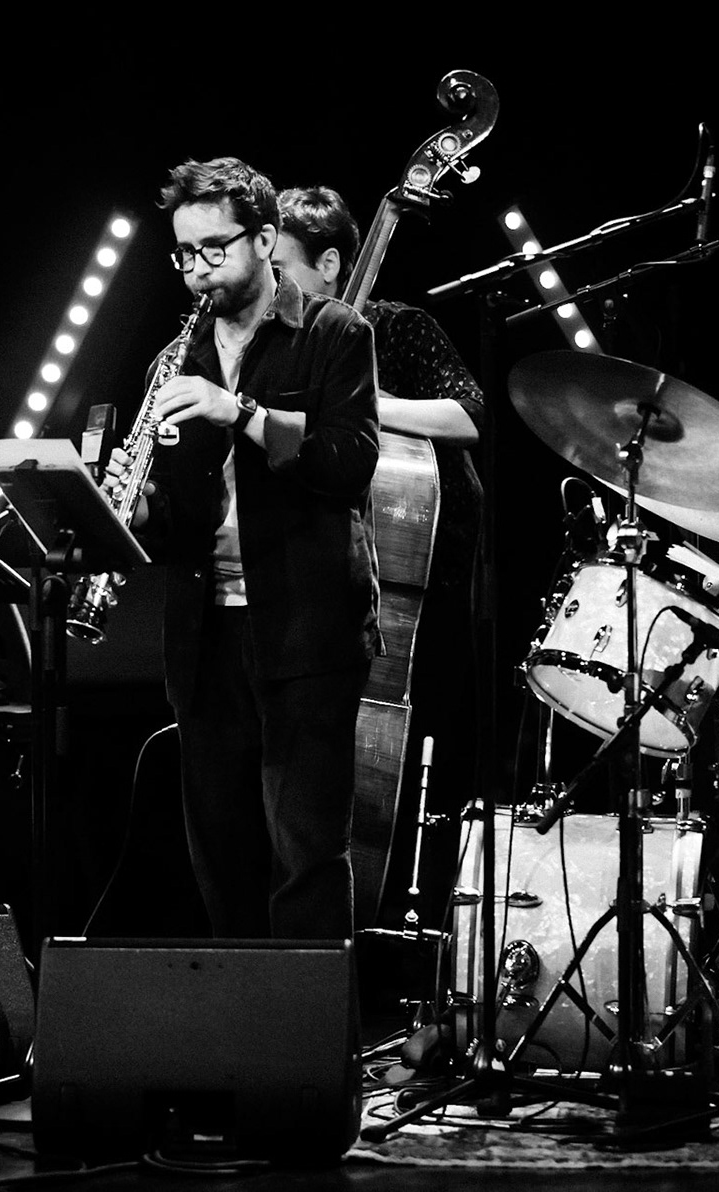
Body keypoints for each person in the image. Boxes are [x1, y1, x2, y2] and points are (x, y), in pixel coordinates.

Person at [107, 157, 380, 940]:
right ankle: (243, 1043)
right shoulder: (176, 356)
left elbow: (349, 462)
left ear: (264, 239)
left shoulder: (335, 332)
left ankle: (312, 1049)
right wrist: (135, 504)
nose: (197, 273)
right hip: (206, 630)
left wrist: (243, 412)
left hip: (306, 629)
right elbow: (174, 519)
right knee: (220, 853)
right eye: (183, 254)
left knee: (306, 854)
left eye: (213, 250)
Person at [273, 185, 486, 928]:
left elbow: (467, 414)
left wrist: (358, 402)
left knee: (432, 772)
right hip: (322, 594)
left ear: (331, 264)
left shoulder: (396, 327)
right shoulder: (281, 350)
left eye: (284, 267)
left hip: (424, 582)